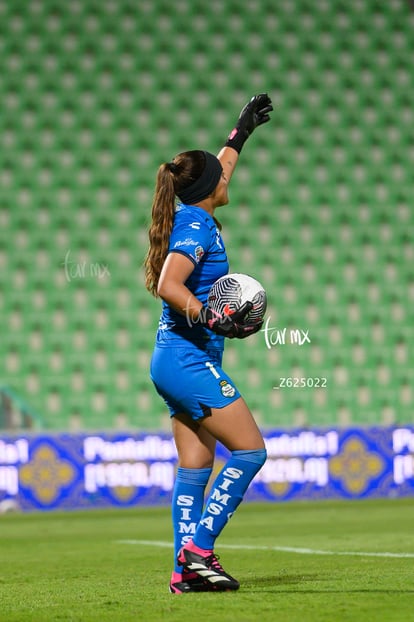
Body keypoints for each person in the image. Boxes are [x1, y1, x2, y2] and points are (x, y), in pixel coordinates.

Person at [144, 94, 273, 594]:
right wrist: (211, 318)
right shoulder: (196, 226)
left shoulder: (193, 210)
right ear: (208, 191)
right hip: (188, 358)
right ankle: (198, 550)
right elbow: (169, 286)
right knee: (251, 453)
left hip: (172, 358)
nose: (228, 177)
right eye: (221, 176)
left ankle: (183, 574)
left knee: (196, 466)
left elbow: (219, 168)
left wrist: (241, 132)